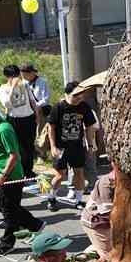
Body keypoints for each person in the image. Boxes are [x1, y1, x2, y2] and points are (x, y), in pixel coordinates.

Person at [46, 81, 98, 211]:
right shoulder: (58, 107)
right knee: (60, 175)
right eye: (75, 96)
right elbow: (50, 128)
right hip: (61, 146)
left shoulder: (84, 107)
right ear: (67, 94)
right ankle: (52, 197)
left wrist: (90, 145)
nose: (78, 99)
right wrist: (53, 147)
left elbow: (89, 126)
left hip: (77, 146)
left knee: (79, 172)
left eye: (80, 96)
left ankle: (79, 200)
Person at [0, 113, 44, 254]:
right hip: (0, 176)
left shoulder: (4, 129)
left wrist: (3, 176)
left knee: (9, 212)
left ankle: (7, 244)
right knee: (5, 205)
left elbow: (14, 155)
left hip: (10, 178)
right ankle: (34, 224)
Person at [0, 66, 38, 179]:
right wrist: (12, 87)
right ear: (7, 77)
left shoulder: (24, 84)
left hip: (28, 118)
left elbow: (32, 100)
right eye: (13, 76)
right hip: (14, 119)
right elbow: (6, 104)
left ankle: (28, 171)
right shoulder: (1, 89)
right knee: (16, 147)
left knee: (29, 146)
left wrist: (37, 116)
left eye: (17, 75)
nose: (16, 78)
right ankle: (18, 172)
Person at [79, 171, 115, 262]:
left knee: (100, 246)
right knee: (109, 257)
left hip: (106, 220)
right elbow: (107, 211)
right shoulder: (107, 183)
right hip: (97, 222)